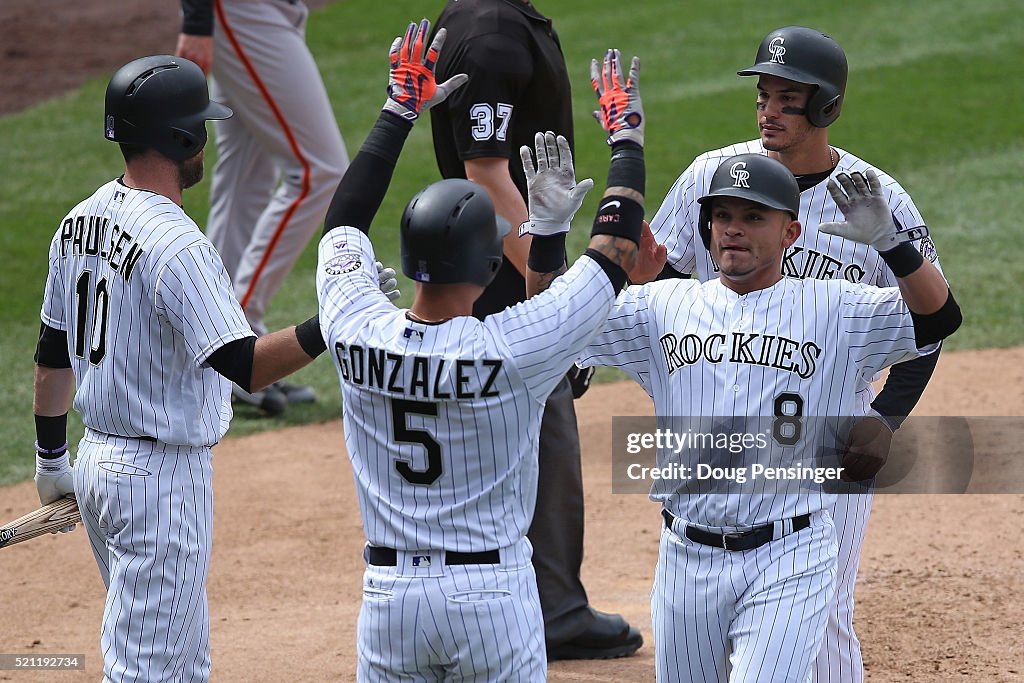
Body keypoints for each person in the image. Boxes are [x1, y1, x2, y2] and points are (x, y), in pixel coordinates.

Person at [316, 24, 645, 679]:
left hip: (390, 602)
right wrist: (626, 140)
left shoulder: (355, 326)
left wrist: (398, 110)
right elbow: (615, 247)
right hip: (490, 600)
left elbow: (343, 222)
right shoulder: (517, 349)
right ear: (493, 261)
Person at [573, 149, 961, 681]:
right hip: (686, 558)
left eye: (753, 217)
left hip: (791, 554)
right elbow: (554, 325)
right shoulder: (662, 306)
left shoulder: (836, 308)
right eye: (723, 217)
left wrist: (895, 248)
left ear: (790, 233)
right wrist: (552, 237)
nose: (733, 230)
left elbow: (939, 317)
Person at [633, 26, 943, 682]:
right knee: (708, 615)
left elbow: (928, 319)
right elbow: (665, 284)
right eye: (763, 96)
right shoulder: (709, 179)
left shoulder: (874, 199)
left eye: (788, 98)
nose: (769, 110)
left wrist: (884, 418)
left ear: (827, 107)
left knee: (824, 613)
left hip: (829, 438)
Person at [31, 55, 344, 682]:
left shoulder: (78, 222)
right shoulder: (178, 245)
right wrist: (332, 325)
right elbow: (246, 367)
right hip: (158, 485)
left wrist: (50, 462)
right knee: (157, 670)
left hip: (97, 465)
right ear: (183, 139)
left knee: (162, 658)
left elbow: (51, 356)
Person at [428, 0, 643, 660]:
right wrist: (552, 295)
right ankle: (553, 608)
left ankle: (520, 598)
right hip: (509, 274)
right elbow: (486, 173)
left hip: (499, 261)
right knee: (542, 435)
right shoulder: (493, 35)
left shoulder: (482, 16)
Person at [177, 0, 350, 414]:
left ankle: (199, 351)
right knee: (320, 171)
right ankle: (237, 347)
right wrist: (197, 22)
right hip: (244, 11)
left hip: (271, 11)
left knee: (244, 182)